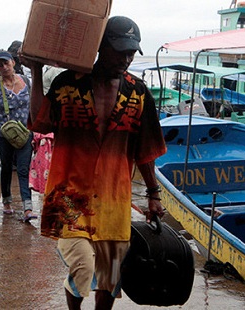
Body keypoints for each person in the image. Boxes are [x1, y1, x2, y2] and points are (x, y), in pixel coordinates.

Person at [23, 16, 167, 309]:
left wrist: (154, 194)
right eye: (120, 50)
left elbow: (145, 151)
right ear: (101, 46)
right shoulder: (67, 83)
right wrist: (36, 72)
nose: (126, 58)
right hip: (70, 196)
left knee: (111, 277)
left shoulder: (138, 93)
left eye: (131, 52)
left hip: (114, 199)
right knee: (83, 268)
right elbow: (39, 122)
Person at [0, 51, 37, 220]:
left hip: (25, 133)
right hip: (4, 135)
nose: (4, 67)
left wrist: (38, 130)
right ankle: (7, 201)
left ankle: (27, 208)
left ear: (13, 62)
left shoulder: (26, 81)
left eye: (6, 63)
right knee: (7, 167)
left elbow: (34, 106)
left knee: (24, 169)